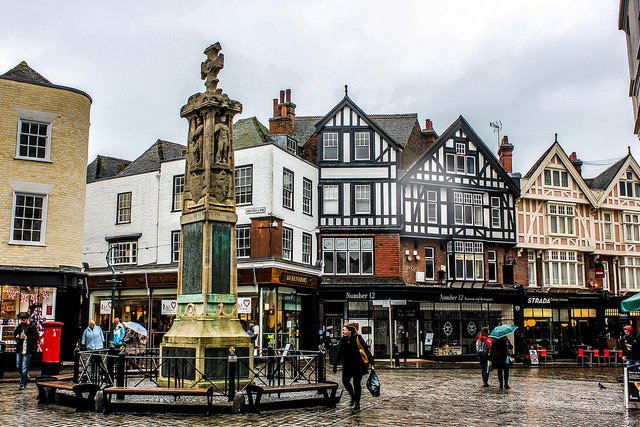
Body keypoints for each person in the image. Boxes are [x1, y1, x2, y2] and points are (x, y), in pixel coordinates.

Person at [332, 322, 374, 410]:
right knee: (345, 381)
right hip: (347, 365)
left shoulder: (358, 338)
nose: (343, 331)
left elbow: (365, 348)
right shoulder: (344, 339)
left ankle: (357, 402)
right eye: (343, 330)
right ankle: (353, 396)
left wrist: (371, 360)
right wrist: (335, 364)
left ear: (350, 331)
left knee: (356, 384)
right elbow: (340, 353)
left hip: (358, 364)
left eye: (344, 330)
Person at [14, 312, 38, 390]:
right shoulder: (20, 325)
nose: (22, 321)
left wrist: (26, 337)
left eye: (23, 320)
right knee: (18, 366)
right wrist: (17, 336)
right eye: (21, 320)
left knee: (24, 368)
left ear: (28, 319)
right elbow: (16, 332)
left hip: (28, 349)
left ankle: (22, 383)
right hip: (20, 348)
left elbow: (36, 337)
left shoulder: (32, 326)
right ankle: (26, 377)